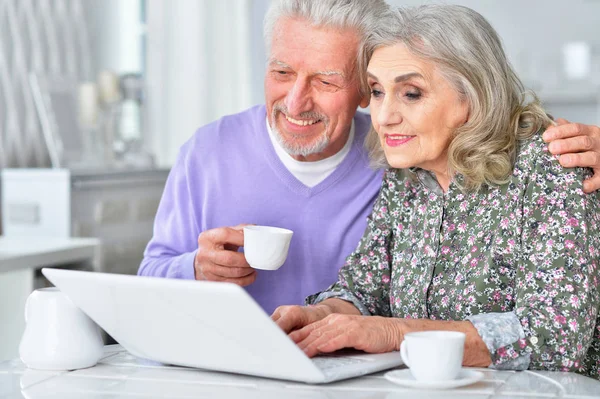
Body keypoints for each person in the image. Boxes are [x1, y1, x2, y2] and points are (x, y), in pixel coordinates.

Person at [139, 0, 600, 316]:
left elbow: (553, 329)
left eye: (325, 81)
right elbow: (362, 288)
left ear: (361, 91)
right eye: (281, 72)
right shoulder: (207, 151)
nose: (296, 102)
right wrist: (194, 270)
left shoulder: (400, 159)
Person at [272, 4, 600, 379]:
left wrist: (393, 332)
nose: (383, 117)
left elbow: (553, 338)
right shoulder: (408, 174)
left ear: (471, 97)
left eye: (411, 94)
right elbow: (364, 288)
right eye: (377, 91)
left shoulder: (550, 166)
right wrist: (321, 316)